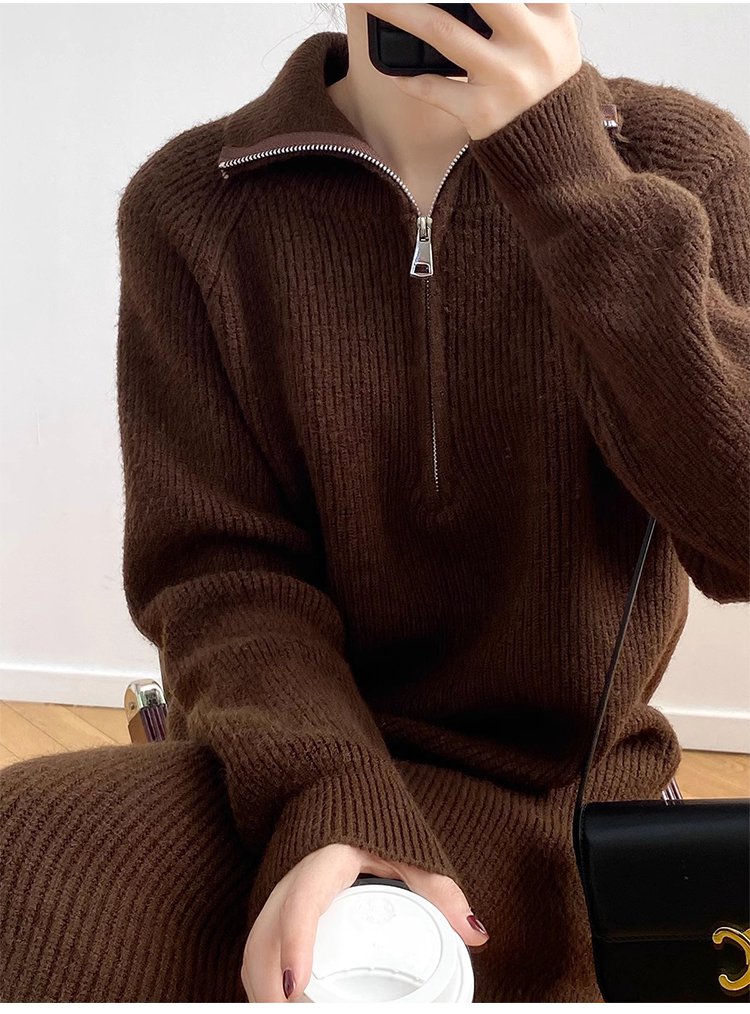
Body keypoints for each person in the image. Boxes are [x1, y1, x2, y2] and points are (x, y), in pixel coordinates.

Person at [2, 3, 749, 1004]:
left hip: (562, 794)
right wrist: (327, 794)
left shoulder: (680, 164)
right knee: (25, 857)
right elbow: (220, 575)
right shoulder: (193, 202)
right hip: (278, 760)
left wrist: (566, 172)